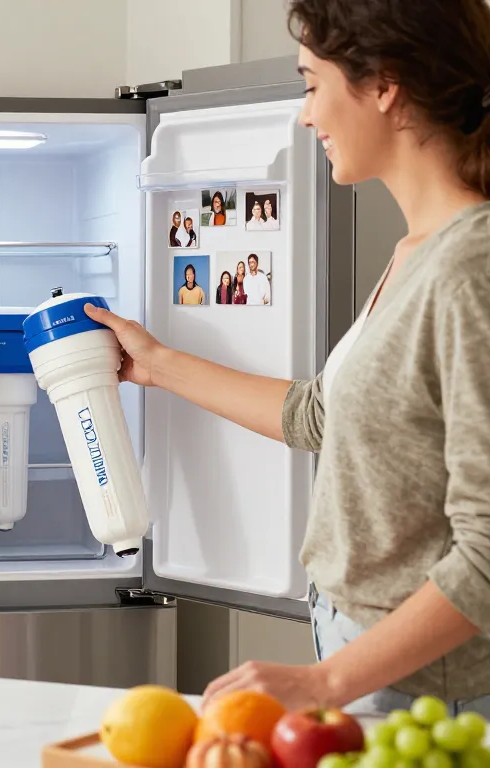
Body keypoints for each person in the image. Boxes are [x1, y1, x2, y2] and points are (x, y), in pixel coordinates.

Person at [86, 0, 490, 715]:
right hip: (368, 652)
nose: (305, 116)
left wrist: (326, 683)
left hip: (426, 681)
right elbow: (318, 416)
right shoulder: (417, 251)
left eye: (311, 84)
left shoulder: (470, 268)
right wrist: (155, 364)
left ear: (384, 84)